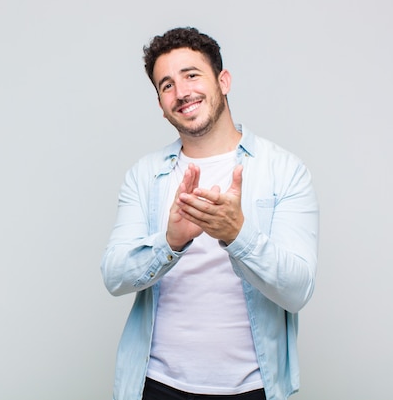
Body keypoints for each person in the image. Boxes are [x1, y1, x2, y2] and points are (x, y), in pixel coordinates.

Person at [101, 27, 319, 400]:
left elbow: (298, 291)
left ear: (223, 81)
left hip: (253, 387)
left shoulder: (284, 170)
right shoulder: (145, 174)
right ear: (160, 104)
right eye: (166, 85)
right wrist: (170, 243)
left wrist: (238, 235)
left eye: (191, 75)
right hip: (156, 385)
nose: (181, 92)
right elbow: (115, 277)